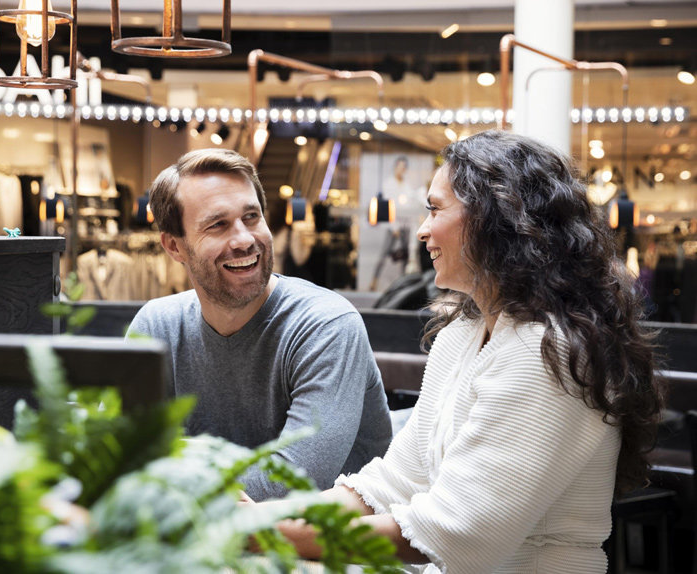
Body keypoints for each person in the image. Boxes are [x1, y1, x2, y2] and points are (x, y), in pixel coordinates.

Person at [247, 130, 663, 572]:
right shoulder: (461, 334)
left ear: (494, 218)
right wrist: (265, 517)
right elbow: (395, 482)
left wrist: (262, 532)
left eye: (435, 209)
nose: (423, 230)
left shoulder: (547, 352)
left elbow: (458, 532)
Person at [126, 148, 392, 501]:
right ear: (175, 247)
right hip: (202, 541)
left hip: (329, 548)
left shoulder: (326, 326)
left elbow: (291, 484)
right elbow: (115, 456)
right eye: (218, 225)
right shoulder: (157, 325)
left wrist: (167, 466)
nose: (244, 239)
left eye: (251, 218)